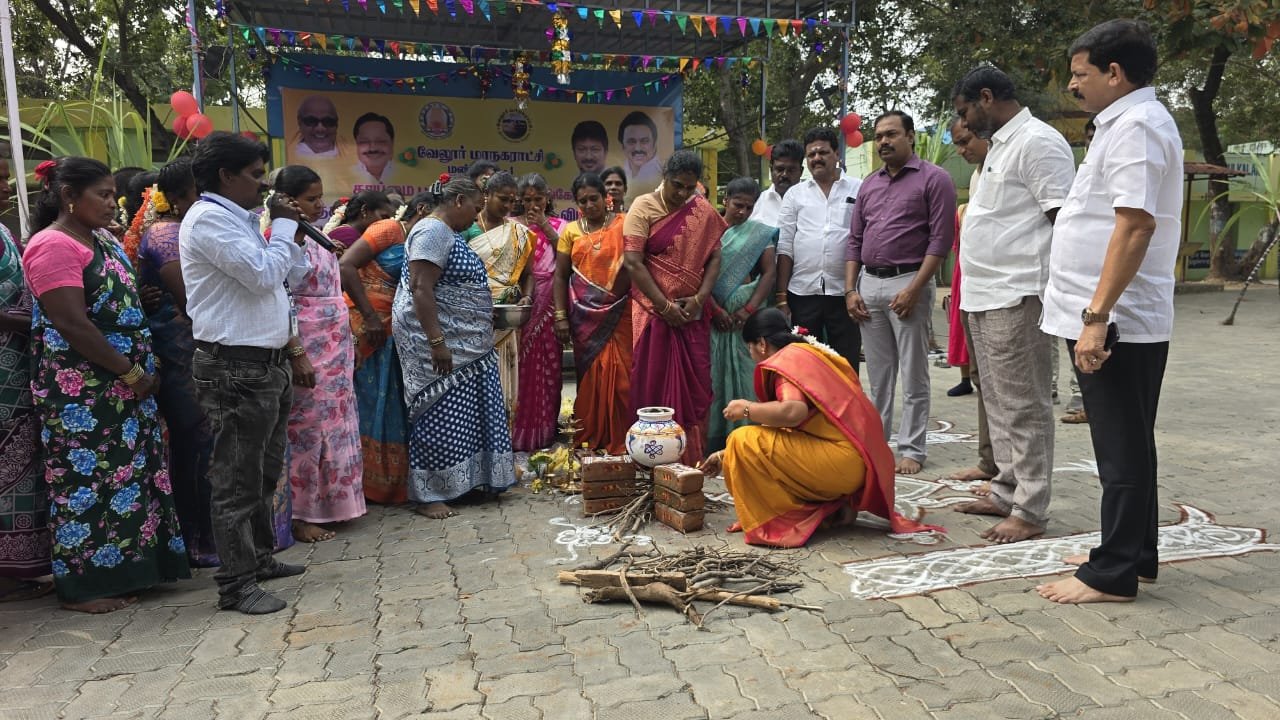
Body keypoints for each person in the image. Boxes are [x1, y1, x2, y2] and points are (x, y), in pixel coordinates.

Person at [1036, 20, 1183, 604]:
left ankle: (1114, 571)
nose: (1074, 86)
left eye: (1081, 74)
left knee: (1119, 447)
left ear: (1114, 74)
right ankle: (1135, 552)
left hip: (1117, 318)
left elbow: (1135, 223)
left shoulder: (1138, 127)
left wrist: (1096, 318)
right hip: (1112, 313)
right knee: (1129, 442)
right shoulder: (1125, 124)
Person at [25, 157, 190, 613]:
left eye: (112, 193)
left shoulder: (102, 240)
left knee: (131, 474)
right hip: (85, 386)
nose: (110, 203)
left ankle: (139, 567)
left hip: (125, 382)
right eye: (100, 194)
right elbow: (72, 323)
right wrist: (130, 372)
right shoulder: (53, 245)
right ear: (67, 196)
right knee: (86, 480)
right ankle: (86, 586)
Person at [181, 132, 310, 614]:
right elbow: (261, 274)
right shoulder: (210, 220)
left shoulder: (242, 219)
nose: (263, 185)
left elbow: (288, 277)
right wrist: (279, 227)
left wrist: (284, 232)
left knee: (264, 472)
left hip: (266, 364)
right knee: (236, 479)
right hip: (234, 366)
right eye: (256, 176)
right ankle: (235, 585)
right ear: (225, 176)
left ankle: (258, 559)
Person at [950, 66, 1077, 544]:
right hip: (984, 294)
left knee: (1024, 404)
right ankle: (1006, 489)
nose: (963, 123)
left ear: (986, 97)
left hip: (1018, 292)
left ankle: (1031, 507)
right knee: (998, 400)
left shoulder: (1038, 142)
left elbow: (1064, 222)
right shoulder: (1000, 144)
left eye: (965, 112)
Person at [699, 309, 942, 548]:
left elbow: (794, 413)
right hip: (857, 463)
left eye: (749, 348)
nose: (751, 355)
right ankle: (834, 508)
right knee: (743, 446)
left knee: (742, 439)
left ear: (761, 344)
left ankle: (790, 519)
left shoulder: (787, 361)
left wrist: (747, 409)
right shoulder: (808, 352)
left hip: (841, 462)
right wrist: (724, 455)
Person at [392, 178, 517, 519]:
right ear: (458, 200)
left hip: (468, 345)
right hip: (439, 343)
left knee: (464, 413)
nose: (477, 217)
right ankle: (429, 494)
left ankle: (464, 482)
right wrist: (437, 342)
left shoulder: (448, 234)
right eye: (476, 208)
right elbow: (420, 287)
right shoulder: (431, 231)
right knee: (439, 415)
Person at [845, 111, 957, 475]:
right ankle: (877, 446)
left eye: (891, 134)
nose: (883, 142)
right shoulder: (869, 184)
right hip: (868, 285)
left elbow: (941, 241)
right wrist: (850, 289)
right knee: (877, 377)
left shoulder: (934, 179)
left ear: (910, 136)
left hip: (909, 282)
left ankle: (912, 449)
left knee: (913, 374)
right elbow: (855, 240)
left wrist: (915, 289)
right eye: (878, 136)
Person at [131, 159, 223, 566]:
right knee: (196, 439)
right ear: (185, 192)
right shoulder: (166, 233)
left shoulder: (194, 226)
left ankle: (209, 536)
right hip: (182, 347)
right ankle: (198, 540)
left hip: (195, 344)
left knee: (207, 440)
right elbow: (189, 300)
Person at [273, 166, 366, 543]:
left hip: (336, 346)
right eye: (311, 199)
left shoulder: (316, 238)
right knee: (307, 428)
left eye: (318, 198)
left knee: (337, 423)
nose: (319, 206)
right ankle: (300, 513)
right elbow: (280, 296)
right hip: (307, 342)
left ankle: (335, 504)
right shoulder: (279, 242)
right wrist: (295, 351)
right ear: (288, 202)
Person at [622, 150, 725, 465]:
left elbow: (715, 257)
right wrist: (664, 306)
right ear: (664, 178)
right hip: (653, 314)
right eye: (676, 185)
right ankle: (650, 457)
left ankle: (690, 457)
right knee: (652, 379)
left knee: (696, 386)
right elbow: (632, 262)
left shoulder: (702, 211)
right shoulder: (643, 207)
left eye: (689, 188)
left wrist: (697, 300)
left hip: (691, 316)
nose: (682, 194)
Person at [340, 192, 435, 505]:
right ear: (421, 210)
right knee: (369, 402)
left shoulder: (419, 240)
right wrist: (369, 316)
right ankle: (367, 483)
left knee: (389, 401)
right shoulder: (389, 230)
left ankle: (386, 481)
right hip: (367, 325)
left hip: (393, 330)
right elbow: (346, 266)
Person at [0, 150, 52, 602]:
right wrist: (40, 321)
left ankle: (19, 566)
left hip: (16, 371)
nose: (5, 186)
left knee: (21, 471)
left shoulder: (2, 230)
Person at [552, 173, 631, 453]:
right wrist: (560, 316)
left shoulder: (624, 225)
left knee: (622, 378)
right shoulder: (570, 232)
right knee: (591, 378)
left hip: (621, 312)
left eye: (593, 198)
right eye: (582, 201)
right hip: (584, 317)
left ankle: (624, 435)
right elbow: (560, 276)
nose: (589, 205)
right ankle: (592, 434)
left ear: (606, 198)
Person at [776, 127, 864, 376]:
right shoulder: (795, 194)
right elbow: (785, 246)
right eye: (811, 154)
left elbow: (863, 240)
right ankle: (807, 413)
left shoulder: (858, 189)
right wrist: (782, 298)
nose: (816, 158)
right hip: (803, 293)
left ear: (837, 153)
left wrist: (857, 289)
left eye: (823, 152)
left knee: (845, 366)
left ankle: (844, 415)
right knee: (804, 365)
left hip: (845, 294)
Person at [945, 120, 1001, 489]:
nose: (962, 150)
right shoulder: (980, 177)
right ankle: (989, 461)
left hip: (1005, 292)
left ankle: (1011, 477)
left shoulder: (1005, 168)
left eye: (966, 141)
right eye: (957, 143)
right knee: (982, 379)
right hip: (973, 289)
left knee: (1003, 385)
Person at [707, 178, 777, 454]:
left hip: (746, 320)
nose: (743, 213)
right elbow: (697, 276)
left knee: (749, 375)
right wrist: (715, 309)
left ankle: (749, 439)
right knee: (713, 377)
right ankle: (715, 442)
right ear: (725, 200)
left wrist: (749, 309)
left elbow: (769, 273)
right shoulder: (708, 231)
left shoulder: (760, 233)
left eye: (749, 207)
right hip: (713, 317)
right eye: (738, 205)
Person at [465, 172, 535, 419]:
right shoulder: (466, 227)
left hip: (506, 322)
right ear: (486, 195)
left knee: (503, 385)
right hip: (471, 320)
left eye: (511, 201)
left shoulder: (519, 233)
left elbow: (528, 274)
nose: (507, 206)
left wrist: (526, 297)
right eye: (502, 199)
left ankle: (502, 443)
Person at [511, 173, 565, 451]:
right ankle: (516, 435)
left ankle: (544, 432)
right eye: (527, 199)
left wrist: (544, 224)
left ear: (548, 198)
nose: (533, 204)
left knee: (548, 371)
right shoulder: (511, 226)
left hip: (549, 309)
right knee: (518, 371)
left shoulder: (561, 226)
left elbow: (568, 258)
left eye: (538, 199)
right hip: (519, 305)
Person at [1060, 117, 1097, 426]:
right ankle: (1081, 399)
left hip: (1101, 281)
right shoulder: (1081, 173)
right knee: (1074, 339)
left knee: (1094, 340)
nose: (1091, 142)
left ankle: (1092, 403)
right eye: (1088, 137)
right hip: (1074, 279)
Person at [749, 139, 804, 228]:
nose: (784, 175)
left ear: (801, 171)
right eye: (780, 169)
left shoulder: (813, 200)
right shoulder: (758, 202)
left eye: (791, 170)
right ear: (771, 170)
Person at [323, 190, 394, 252]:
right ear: (364, 210)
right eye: (384, 217)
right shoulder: (346, 235)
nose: (387, 223)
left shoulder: (354, 234)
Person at [618, 111, 662, 198]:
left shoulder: (664, 177)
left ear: (654, 145)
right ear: (623, 146)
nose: (638, 148)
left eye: (644, 141)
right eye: (631, 142)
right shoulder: (617, 175)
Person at [353, 113, 396, 185]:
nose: (373, 148)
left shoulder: (406, 173)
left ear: (392, 143)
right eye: (364, 141)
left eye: (381, 141)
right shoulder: (346, 174)